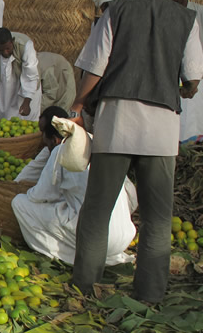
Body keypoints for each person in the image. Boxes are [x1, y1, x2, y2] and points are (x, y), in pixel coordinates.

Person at [69, 0, 203, 304]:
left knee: (98, 208)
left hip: (118, 121)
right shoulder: (187, 18)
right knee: (158, 217)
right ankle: (150, 294)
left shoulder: (117, 11)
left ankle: (85, 286)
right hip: (161, 128)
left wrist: (79, 105)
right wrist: (182, 90)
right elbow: (192, 78)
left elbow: (95, 69)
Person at [12, 106, 137, 267]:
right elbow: (131, 196)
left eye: (43, 133)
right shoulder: (95, 142)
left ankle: (66, 256)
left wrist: (24, 190)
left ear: (54, 139)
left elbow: (39, 195)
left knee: (20, 203)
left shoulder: (61, 151)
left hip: (97, 237)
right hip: (124, 236)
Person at [167, 0, 203, 142]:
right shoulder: (166, 12)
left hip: (194, 74)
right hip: (171, 74)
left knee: (191, 117)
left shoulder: (200, 12)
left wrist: (192, 73)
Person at [0, 27, 41, 122]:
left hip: (24, 88)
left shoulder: (25, 46)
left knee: (24, 124)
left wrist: (27, 102)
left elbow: (30, 76)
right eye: (1, 50)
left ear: (12, 41)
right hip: (1, 88)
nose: (5, 52)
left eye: (8, 48)